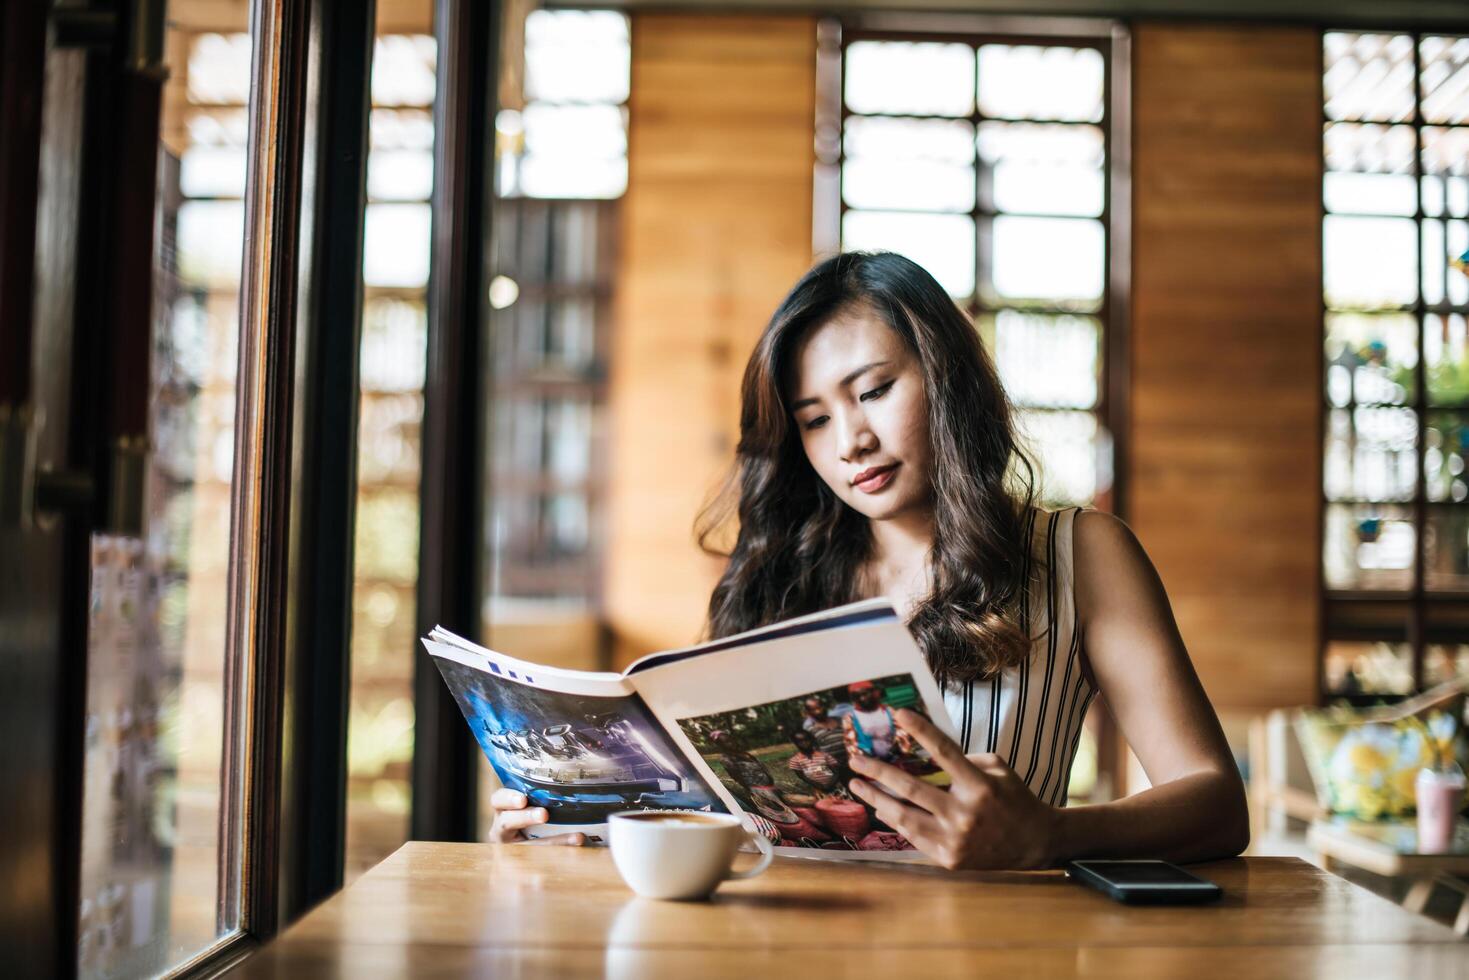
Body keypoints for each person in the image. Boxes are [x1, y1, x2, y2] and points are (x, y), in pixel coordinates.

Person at [489, 250, 1249, 871]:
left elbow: (1213, 801)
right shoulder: (774, 575)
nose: (849, 441)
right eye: (814, 420)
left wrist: (1053, 833)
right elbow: (726, 812)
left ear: (947, 381)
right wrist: (592, 818)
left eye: (874, 391)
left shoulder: (1079, 553)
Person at [785, 729, 846, 795]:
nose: (804, 742)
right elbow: (802, 777)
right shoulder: (795, 760)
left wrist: (830, 784)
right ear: (795, 743)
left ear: (811, 740)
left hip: (834, 787)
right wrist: (819, 785)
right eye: (799, 741)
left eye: (806, 739)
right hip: (816, 790)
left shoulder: (824, 755)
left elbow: (836, 771)